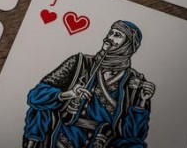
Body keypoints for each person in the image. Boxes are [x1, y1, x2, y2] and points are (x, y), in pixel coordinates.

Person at [23, 21, 155, 148]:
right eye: (110, 33)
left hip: (104, 139)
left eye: (117, 35)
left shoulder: (136, 82)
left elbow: (134, 134)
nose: (109, 38)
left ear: (128, 45)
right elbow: (35, 96)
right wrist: (67, 94)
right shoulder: (79, 63)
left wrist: (142, 102)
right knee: (39, 108)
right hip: (66, 131)